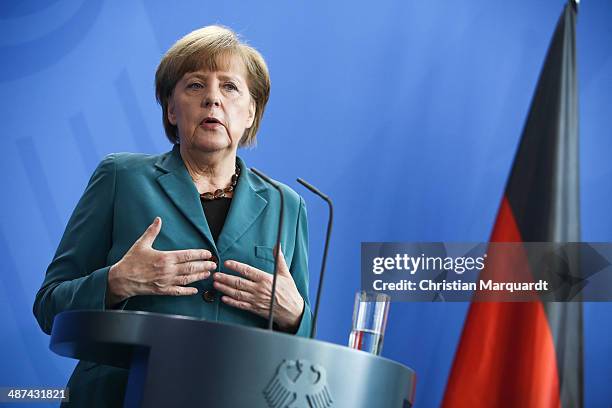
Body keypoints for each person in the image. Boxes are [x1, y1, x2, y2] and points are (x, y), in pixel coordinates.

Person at [33, 25, 311, 406]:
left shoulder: (287, 205)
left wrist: (294, 316)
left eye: (230, 87)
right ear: (170, 108)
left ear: (251, 112)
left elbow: (303, 355)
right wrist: (117, 281)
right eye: (195, 85)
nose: (213, 99)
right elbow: (49, 307)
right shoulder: (120, 178)